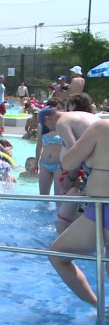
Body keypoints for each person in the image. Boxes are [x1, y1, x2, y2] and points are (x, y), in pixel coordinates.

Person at [48, 119, 109, 308]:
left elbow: (68, 162)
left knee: (58, 256)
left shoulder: (101, 128)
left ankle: (98, 306)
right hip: (98, 211)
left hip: (101, 210)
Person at [39, 104, 100, 195]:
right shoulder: (74, 116)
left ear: (48, 119)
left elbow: (74, 152)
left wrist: (71, 177)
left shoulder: (61, 123)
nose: (49, 129)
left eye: (46, 126)